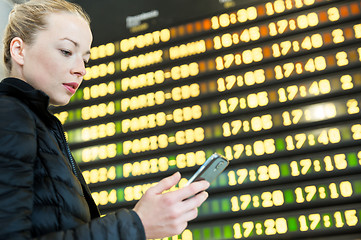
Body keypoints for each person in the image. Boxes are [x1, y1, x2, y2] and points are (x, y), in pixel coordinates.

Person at [0, 0, 210, 239]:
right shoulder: (10, 115)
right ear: (19, 50)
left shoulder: (41, 127)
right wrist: (137, 225)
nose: (81, 69)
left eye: (85, 59)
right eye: (66, 51)